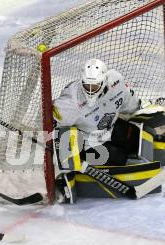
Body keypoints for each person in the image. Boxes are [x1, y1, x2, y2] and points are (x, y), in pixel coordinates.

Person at [53, 58, 141, 203]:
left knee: (136, 138)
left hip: (109, 128)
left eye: (95, 86)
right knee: (119, 157)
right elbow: (55, 129)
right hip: (89, 144)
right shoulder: (70, 102)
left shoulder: (116, 81)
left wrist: (142, 110)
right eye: (87, 86)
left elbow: (130, 105)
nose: (90, 90)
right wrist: (67, 161)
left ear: (105, 81)